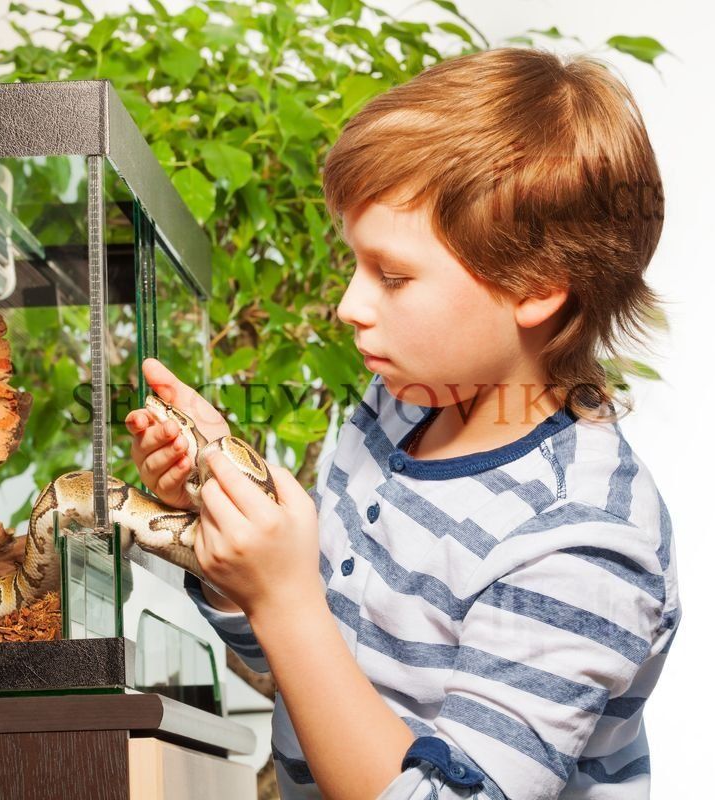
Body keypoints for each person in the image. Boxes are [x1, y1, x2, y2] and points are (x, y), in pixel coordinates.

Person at [124, 47, 680, 800]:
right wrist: (232, 535)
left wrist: (286, 599)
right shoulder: (395, 412)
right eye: (354, 264)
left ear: (538, 287)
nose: (350, 305)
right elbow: (300, 654)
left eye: (392, 275)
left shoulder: (583, 537)